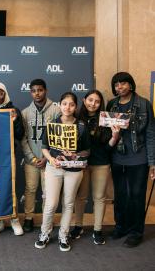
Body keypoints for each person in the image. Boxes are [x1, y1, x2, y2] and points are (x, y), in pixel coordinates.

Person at [35, 92, 90, 252]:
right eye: (64, 103)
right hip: (54, 168)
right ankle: (44, 233)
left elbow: (87, 150)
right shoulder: (52, 124)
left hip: (74, 170)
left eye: (71, 104)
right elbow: (44, 147)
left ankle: (63, 235)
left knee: (68, 203)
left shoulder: (81, 126)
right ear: (59, 104)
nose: (68, 107)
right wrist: (50, 160)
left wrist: (76, 155)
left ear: (76, 107)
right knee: (51, 203)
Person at [107, 72, 155, 248]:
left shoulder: (144, 104)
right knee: (120, 196)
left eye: (123, 83)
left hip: (139, 159)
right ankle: (121, 227)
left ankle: (136, 232)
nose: (120, 87)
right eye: (116, 84)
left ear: (131, 85)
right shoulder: (111, 105)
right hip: (118, 158)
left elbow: (150, 134)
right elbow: (107, 134)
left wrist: (152, 163)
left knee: (136, 196)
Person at [70, 90, 119, 245]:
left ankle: (97, 229)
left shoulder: (105, 119)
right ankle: (78, 226)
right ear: (84, 100)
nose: (93, 104)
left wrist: (115, 137)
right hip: (81, 163)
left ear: (100, 104)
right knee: (80, 197)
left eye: (97, 101)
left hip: (101, 163)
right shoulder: (76, 117)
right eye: (90, 100)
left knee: (99, 198)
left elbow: (108, 147)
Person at [21, 79, 60, 232]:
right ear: (31, 92)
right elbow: (23, 139)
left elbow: (58, 138)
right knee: (30, 189)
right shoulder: (25, 113)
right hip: (32, 161)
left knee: (48, 192)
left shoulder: (56, 110)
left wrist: (48, 157)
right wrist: (32, 157)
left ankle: (46, 219)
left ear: (46, 91)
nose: (37, 93)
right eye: (34, 90)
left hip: (49, 160)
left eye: (40, 90)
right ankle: (29, 218)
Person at [0, 82, 25, 236]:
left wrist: (14, 122)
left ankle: (15, 220)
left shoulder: (14, 111)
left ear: (5, 94)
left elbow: (20, 135)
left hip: (9, 155)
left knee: (11, 187)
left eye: (1, 93)